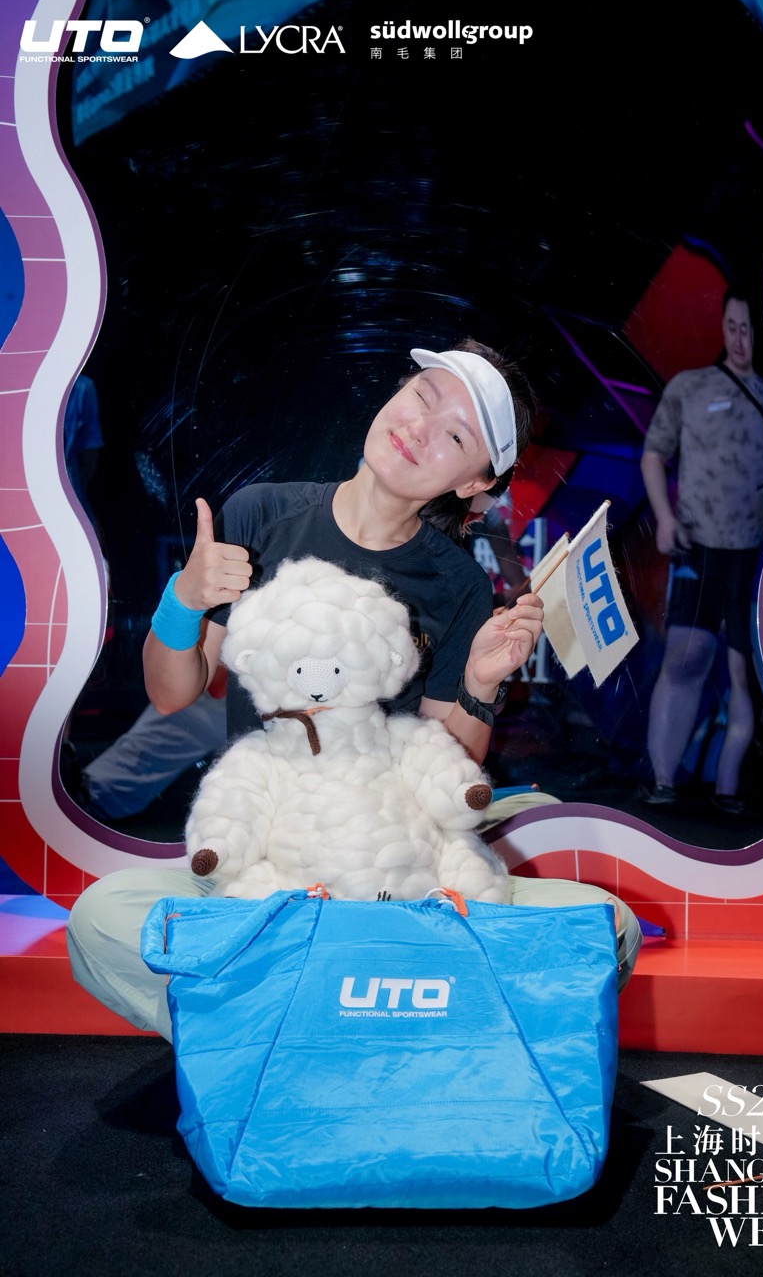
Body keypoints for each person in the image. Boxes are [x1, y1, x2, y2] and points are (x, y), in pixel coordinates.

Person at [66, 339, 642, 1038]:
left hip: (394, 874)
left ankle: (303, 1009)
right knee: (101, 920)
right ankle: (347, 1014)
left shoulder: (456, 584)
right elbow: (170, 693)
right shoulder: (261, 514)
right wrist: (182, 601)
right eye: (423, 396)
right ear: (394, 394)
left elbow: (445, 770)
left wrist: (479, 684)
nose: (421, 427)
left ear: (471, 482)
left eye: (455, 434)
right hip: (269, 874)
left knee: (606, 928)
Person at [639, 289, 763, 813]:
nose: (739, 337)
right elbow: (653, 455)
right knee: (686, 658)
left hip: (752, 556)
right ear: (721, 327)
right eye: (731, 325)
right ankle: (663, 780)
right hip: (697, 545)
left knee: (743, 673)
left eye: (748, 327)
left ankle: (728, 788)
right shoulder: (690, 387)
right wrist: (664, 517)